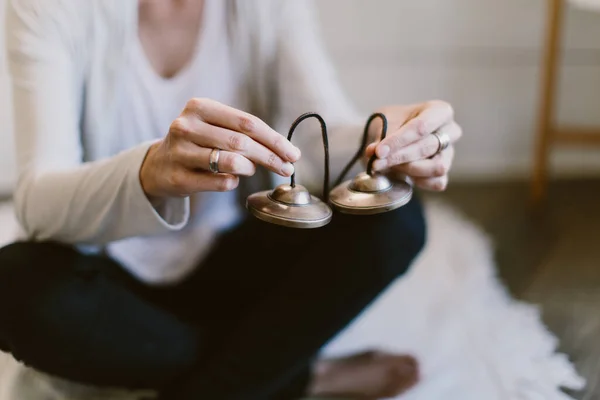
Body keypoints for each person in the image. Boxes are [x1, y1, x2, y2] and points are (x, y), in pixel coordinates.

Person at [0, 0, 462, 399]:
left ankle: (241, 375)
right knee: (14, 286)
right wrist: (150, 173)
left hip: (234, 265)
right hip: (109, 282)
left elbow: (320, 143)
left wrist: (382, 140)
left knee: (392, 223)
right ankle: (293, 374)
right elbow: (39, 201)